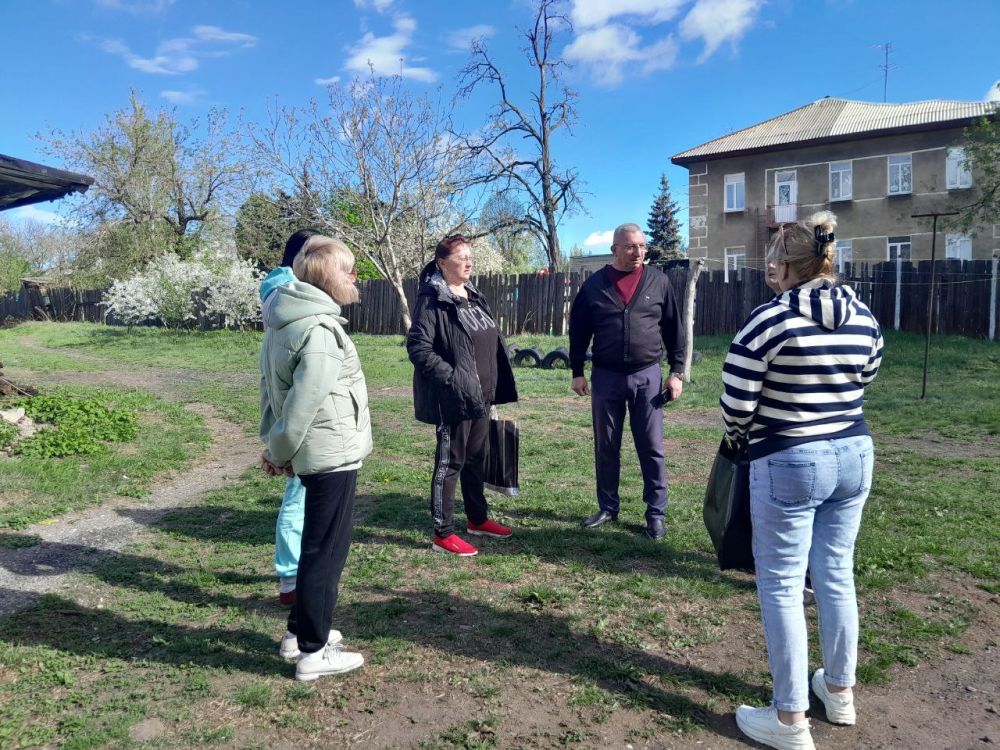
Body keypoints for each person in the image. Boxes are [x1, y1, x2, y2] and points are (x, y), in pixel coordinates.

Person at [721, 212, 883, 750]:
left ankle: (789, 718)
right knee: (836, 574)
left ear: (787, 265)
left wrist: (744, 436)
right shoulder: (863, 315)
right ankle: (839, 692)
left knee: (783, 585)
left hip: (789, 457)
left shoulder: (769, 319)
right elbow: (868, 374)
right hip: (854, 452)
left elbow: (736, 402)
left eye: (774, 261)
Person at [259, 234, 372, 681]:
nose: (355, 277)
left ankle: (297, 632)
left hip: (316, 452)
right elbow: (301, 403)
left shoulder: (284, 319)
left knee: (315, 546)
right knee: (326, 552)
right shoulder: (319, 328)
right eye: (348, 269)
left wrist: (275, 448)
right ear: (329, 276)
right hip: (331, 453)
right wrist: (278, 450)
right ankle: (313, 651)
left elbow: (271, 394)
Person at [568, 222, 684, 540]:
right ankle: (608, 507)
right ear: (615, 249)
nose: (638, 252)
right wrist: (577, 370)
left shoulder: (659, 281)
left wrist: (676, 372)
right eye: (631, 246)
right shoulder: (594, 286)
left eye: (642, 246)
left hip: (647, 376)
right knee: (606, 445)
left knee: (651, 447)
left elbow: (674, 329)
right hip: (606, 377)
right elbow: (578, 331)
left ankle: (655, 514)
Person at [407, 234, 518, 557]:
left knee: (476, 458)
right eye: (461, 257)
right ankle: (442, 533)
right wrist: (453, 380)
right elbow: (419, 347)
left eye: (470, 256)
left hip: (482, 396)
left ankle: (477, 519)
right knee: (450, 462)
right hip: (454, 398)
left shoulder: (473, 295)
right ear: (442, 263)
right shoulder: (433, 299)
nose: (469, 261)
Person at [259, 229, 317, 608]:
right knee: (298, 493)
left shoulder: (278, 291)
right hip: (295, 407)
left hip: (288, 402)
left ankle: (296, 572)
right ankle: (291, 577)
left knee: (303, 492)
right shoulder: (288, 293)